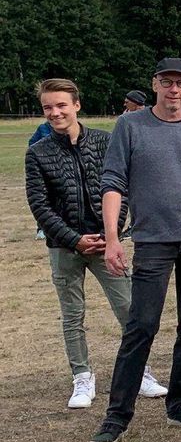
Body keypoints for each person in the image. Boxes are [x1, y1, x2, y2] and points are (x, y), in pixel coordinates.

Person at [89, 58, 181, 442]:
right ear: (155, 84)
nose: (174, 90)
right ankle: (117, 416)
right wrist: (113, 236)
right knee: (141, 325)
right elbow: (113, 182)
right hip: (153, 240)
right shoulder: (130, 126)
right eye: (166, 82)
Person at [26, 78, 166, 409]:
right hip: (65, 248)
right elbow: (40, 205)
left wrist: (111, 233)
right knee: (72, 314)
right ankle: (82, 377)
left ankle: (139, 373)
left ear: (76, 105)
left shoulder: (105, 142)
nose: (55, 112)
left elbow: (120, 189)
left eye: (61, 105)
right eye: (48, 107)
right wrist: (74, 240)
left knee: (130, 311)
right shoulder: (38, 153)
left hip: (107, 244)